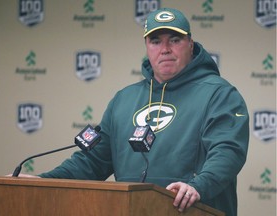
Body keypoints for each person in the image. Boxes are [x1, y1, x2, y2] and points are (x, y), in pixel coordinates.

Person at [20, 8, 249, 216]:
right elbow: (92, 161)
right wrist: (43, 181)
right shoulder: (124, 99)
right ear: (147, 47)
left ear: (190, 44)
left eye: (175, 40)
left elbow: (227, 152)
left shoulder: (220, 94)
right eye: (156, 41)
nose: (165, 49)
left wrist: (199, 186)